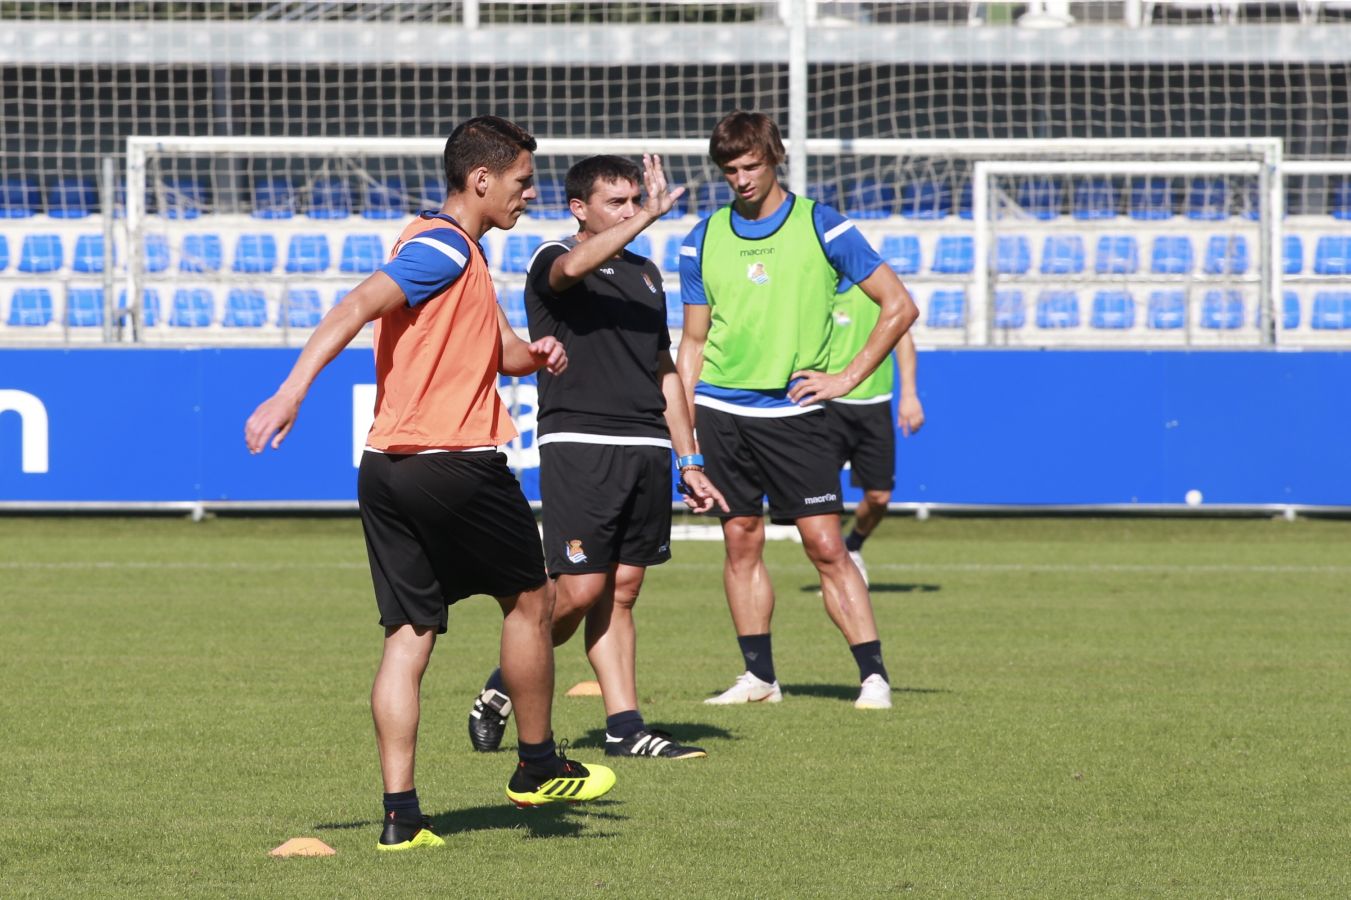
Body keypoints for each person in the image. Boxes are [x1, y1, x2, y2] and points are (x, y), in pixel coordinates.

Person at [244, 115, 615, 854]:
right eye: (520, 182)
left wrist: (532, 354)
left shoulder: (454, 251)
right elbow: (354, 306)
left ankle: (400, 818)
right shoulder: (442, 246)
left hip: (387, 468)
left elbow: (495, 349)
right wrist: (289, 391)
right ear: (481, 181)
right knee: (533, 599)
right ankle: (537, 766)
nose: (528, 195)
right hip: (455, 462)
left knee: (409, 635)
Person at [468, 153, 728, 761]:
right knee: (579, 590)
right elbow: (573, 266)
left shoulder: (647, 275)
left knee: (625, 589)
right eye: (617, 202)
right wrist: (646, 220)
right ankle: (505, 681)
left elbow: (664, 370)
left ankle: (625, 728)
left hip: (646, 447)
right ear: (579, 209)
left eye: (636, 200)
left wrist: (689, 458)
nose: (631, 212)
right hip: (582, 443)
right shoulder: (553, 259)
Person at [676, 110, 919, 710]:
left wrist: (846, 378)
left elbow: (899, 306)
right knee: (741, 541)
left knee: (826, 547)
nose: (741, 179)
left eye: (751, 165)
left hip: (795, 415)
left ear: (775, 157)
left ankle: (873, 678)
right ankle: (759, 677)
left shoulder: (824, 226)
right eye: (730, 170)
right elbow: (694, 343)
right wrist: (685, 443)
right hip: (721, 412)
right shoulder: (701, 238)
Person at [825, 281, 926, 586]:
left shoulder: (873, 289)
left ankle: (852, 545)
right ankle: (835, 568)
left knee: (879, 496)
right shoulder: (817, 292)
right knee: (822, 496)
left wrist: (909, 394)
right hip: (828, 405)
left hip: (874, 406)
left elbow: (903, 338)